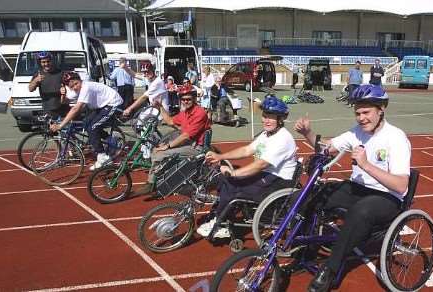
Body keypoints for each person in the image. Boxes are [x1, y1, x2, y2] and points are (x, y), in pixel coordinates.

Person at [294, 84, 411, 292]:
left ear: (381, 109)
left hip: (387, 197)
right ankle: (305, 248)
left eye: (366, 112)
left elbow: (401, 185)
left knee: (361, 211)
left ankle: (329, 270)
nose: (361, 118)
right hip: (358, 190)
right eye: (358, 113)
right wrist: (308, 133)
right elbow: (327, 148)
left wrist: (366, 165)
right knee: (317, 193)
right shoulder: (357, 132)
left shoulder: (396, 138)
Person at [197, 95, 297, 238]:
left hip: (277, 182)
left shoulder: (283, 139)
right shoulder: (266, 134)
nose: (266, 120)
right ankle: (219, 215)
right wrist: (220, 156)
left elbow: (260, 165)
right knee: (225, 181)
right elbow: (247, 150)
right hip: (267, 176)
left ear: (280, 119)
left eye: (271, 117)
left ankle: (222, 224)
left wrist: (233, 173)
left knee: (233, 184)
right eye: (265, 115)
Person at [126, 85, 211, 195]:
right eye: (183, 99)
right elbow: (170, 121)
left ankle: (151, 184)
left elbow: (186, 136)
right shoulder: (185, 112)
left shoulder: (199, 113)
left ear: (194, 99)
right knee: (157, 147)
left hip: (196, 147)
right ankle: (162, 178)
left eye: (189, 99)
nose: (186, 101)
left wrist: (168, 146)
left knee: (160, 154)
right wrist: (159, 107)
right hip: (188, 142)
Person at [49, 71, 124, 170]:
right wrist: (63, 94)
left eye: (76, 83)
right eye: (71, 86)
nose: (75, 87)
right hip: (102, 106)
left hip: (113, 103)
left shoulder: (86, 87)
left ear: (80, 80)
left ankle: (103, 157)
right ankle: (110, 140)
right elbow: (65, 101)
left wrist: (60, 126)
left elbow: (76, 109)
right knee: (86, 123)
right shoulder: (76, 90)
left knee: (93, 127)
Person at [28, 51, 70, 118]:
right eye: (43, 62)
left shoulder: (61, 73)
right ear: (40, 63)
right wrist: (36, 80)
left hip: (63, 107)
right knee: (50, 127)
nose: (46, 64)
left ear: (52, 61)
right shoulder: (38, 74)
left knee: (64, 127)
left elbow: (71, 86)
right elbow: (30, 89)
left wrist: (65, 90)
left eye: (48, 61)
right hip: (48, 109)